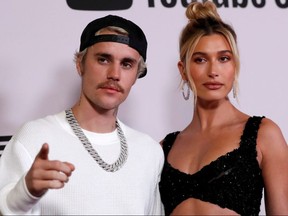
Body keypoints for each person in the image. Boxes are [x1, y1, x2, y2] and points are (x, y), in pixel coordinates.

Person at [0, 15, 164, 215]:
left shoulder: (149, 151)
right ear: (80, 64)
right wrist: (24, 194)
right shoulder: (35, 137)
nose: (114, 73)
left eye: (127, 64)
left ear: (136, 75)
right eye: (103, 59)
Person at [159, 1, 288, 215]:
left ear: (234, 66)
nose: (213, 71)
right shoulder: (164, 148)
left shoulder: (263, 134)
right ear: (183, 71)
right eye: (200, 59)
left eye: (223, 59)